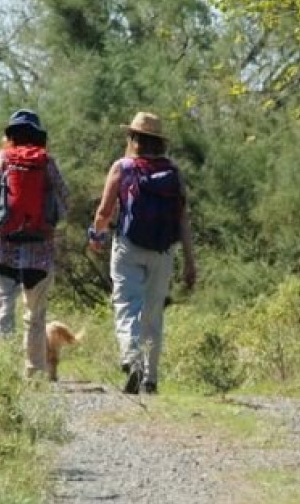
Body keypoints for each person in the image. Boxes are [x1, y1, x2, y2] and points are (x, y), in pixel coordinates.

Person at [87, 111, 198, 394]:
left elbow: (104, 211)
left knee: (126, 305)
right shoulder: (173, 172)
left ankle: (131, 358)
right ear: (160, 142)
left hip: (128, 246)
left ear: (133, 138)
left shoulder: (123, 167)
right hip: (163, 250)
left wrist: (96, 236)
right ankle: (151, 378)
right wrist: (189, 261)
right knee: (153, 313)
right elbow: (183, 218)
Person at [0, 109, 71, 378]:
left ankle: (3, 375)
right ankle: (34, 374)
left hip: (0, 250)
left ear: (9, 136)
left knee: (3, 311)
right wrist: (44, 223)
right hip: (39, 253)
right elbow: (64, 203)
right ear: (38, 138)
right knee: (35, 318)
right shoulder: (47, 164)